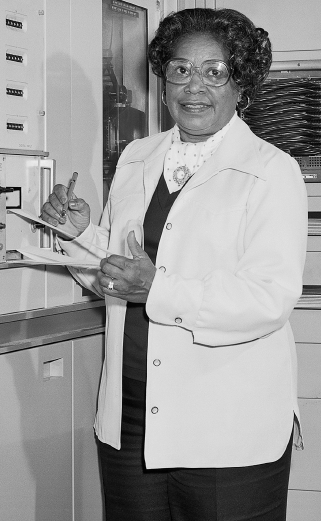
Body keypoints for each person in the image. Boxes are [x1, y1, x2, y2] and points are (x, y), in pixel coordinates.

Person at [41, 8, 308, 521]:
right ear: (163, 80)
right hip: (131, 417)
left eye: (215, 71)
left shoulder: (272, 171)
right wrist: (82, 236)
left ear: (240, 83)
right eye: (181, 69)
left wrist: (156, 289)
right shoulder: (136, 157)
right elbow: (118, 275)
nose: (194, 87)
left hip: (226, 430)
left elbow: (267, 299)